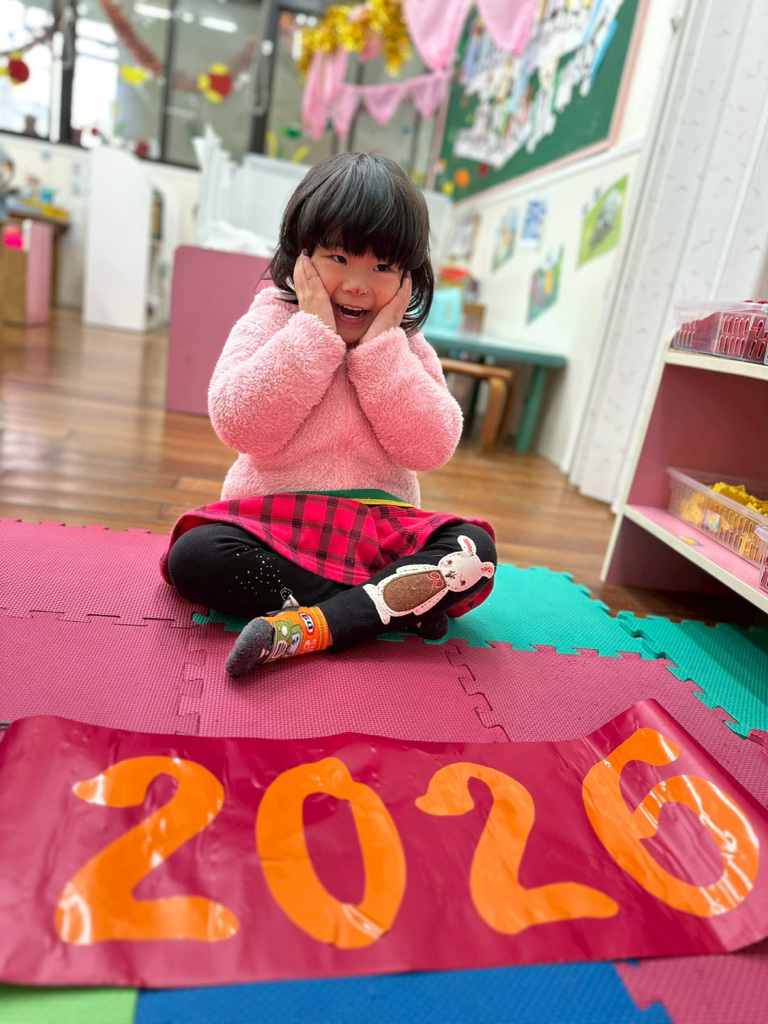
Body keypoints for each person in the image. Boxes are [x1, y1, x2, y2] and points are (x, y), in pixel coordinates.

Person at [163, 152, 497, 677]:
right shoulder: (273, 319)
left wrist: (381, 352)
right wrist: (313, 335)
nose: (358, 284)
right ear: (301, 256)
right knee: (195, 555)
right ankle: (388, 607)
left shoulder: (405, 343)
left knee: (474, 552)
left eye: (382, 268)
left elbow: (433, 446)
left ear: (408, 278)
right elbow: (237, 421)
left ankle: (325, 620)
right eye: (339, 258)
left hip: (379, 531)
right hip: (276, 526)